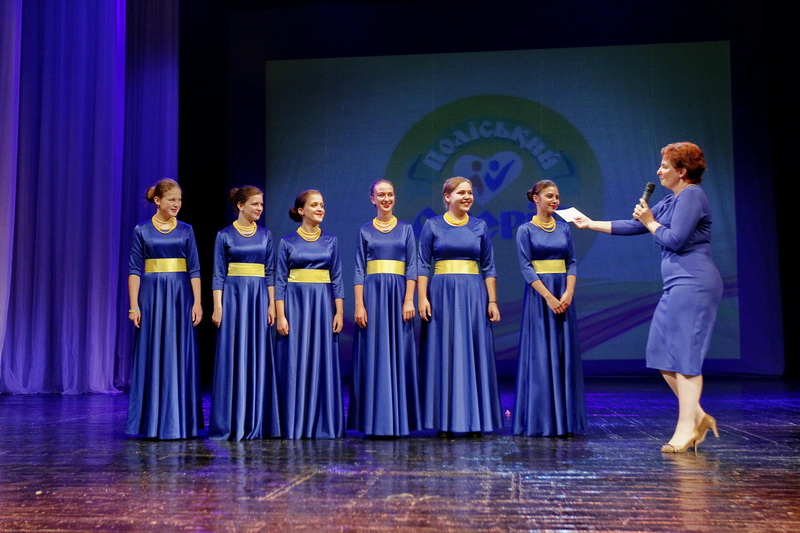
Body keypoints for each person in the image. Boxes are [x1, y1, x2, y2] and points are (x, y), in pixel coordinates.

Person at [574, 142, 723, 453]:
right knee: (661, 353)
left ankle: (686, 428)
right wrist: (589, 223)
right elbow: (635, 226)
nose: (659, 171)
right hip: (676, 285)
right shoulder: (672, 199)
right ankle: (698, 416)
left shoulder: (692, 195)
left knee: (685, 358)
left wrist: (650, 221)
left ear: (682, 171)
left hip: (694, 283)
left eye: (665, 166)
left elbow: (675, 240)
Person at [417, 177, 502, 437]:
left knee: (473, 352)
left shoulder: (479, 226)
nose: (467, 197)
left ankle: (475, 419)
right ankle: (445, 420)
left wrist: (492, 301)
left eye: (470, 193)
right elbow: (422, 264)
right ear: (447, 197)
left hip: (473, 295)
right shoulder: (432, 225)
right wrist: (422, 298)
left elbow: (488, 266)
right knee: (444, 353)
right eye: (461, 192)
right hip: (441, 294)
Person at [126, 179, 203, 439]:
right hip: (152, 296)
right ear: (157, 201)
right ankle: (151, 421)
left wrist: (197, 302)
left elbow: (194, 268)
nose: (176, 204)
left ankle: (180, 420)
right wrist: (134, 306)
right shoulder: (142, 230)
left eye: (179, 200)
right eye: (171, 199)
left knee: (179, 352)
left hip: (180, 296)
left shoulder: (186, 230)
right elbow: (134, 269)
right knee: (153, 351)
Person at [348, 179, 421, 437]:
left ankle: (399, 419)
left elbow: (412, 267)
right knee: (374, 353)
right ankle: (373, 420)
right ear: (373, 199)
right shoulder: (365, 231)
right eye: (381, 195)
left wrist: (409, 299)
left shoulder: (406, 229)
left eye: (390, 194)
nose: (386, 199)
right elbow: (359, 269)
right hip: (373, 295)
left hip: (398, 294)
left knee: (399, 352)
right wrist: (359, 305)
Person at [513, 180, 586, 437]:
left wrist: (568, 293)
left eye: (557, 196)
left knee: (563, 354)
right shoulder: (525, 230)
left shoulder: (564, 228)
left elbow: (572, 262)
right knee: (541, 355)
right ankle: (541, 421)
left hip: (563, 295)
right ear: (536, 198)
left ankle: (565, 421)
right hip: (540, 297)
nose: (555, 200)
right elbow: (526, 267)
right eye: (549, 196)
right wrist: (548, 297)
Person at [209, 186, 281, 441]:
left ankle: (256, 420)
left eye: (261, 204)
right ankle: (231, 421)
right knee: (233, 354)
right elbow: (218, 273)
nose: (260, 208)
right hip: (233, 298)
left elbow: (271, 272)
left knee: (257, 355)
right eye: (255, 204)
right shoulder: (224, 236)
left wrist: (271, 304)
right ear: (240, 206)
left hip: (258, 297)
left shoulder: (265, 235)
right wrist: (218, 306)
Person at [274, 190, 345, 439]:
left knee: (322, 358)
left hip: (323, 305)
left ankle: (322, 423)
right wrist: (281, 315)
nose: (320, 209)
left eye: (322, 205)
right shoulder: (287, 242)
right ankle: (295, 422)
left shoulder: (331, 241)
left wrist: (339, 311)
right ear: (301, 210)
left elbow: (337, 278)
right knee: (296, 359)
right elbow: (279, 281)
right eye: (314, 205)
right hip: (295, 305)